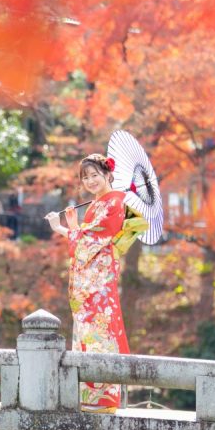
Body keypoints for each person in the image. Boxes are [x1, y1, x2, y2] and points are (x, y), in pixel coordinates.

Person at [46, 153, 140, 413]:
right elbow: (86, 235)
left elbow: (96, 237)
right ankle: (88, 397)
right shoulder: (97, 204)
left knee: (101, 330)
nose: (90, 181)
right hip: (89, 283)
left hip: (99, 282)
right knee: (87, 330)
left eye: (94, 175)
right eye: (85, 177)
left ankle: (104, 399)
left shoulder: (116, 201)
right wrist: (75, 224)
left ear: (108, 175)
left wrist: (63, 229)